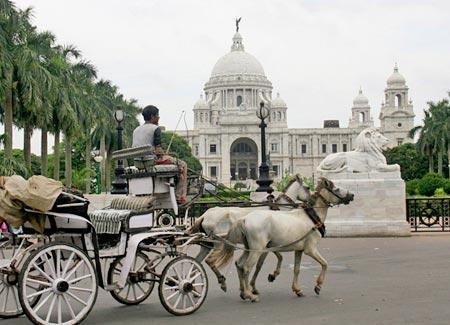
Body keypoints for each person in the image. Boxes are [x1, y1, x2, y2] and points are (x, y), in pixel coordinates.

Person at [132, 105, 188, 204]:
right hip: (151, 162)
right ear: (153, 116)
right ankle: (180, 196)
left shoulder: (136, 130)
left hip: (138, 163)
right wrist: (164, 153)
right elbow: (158, 151)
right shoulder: (155, 128)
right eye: (157, 115)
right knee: (182, 164)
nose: (159, 117)